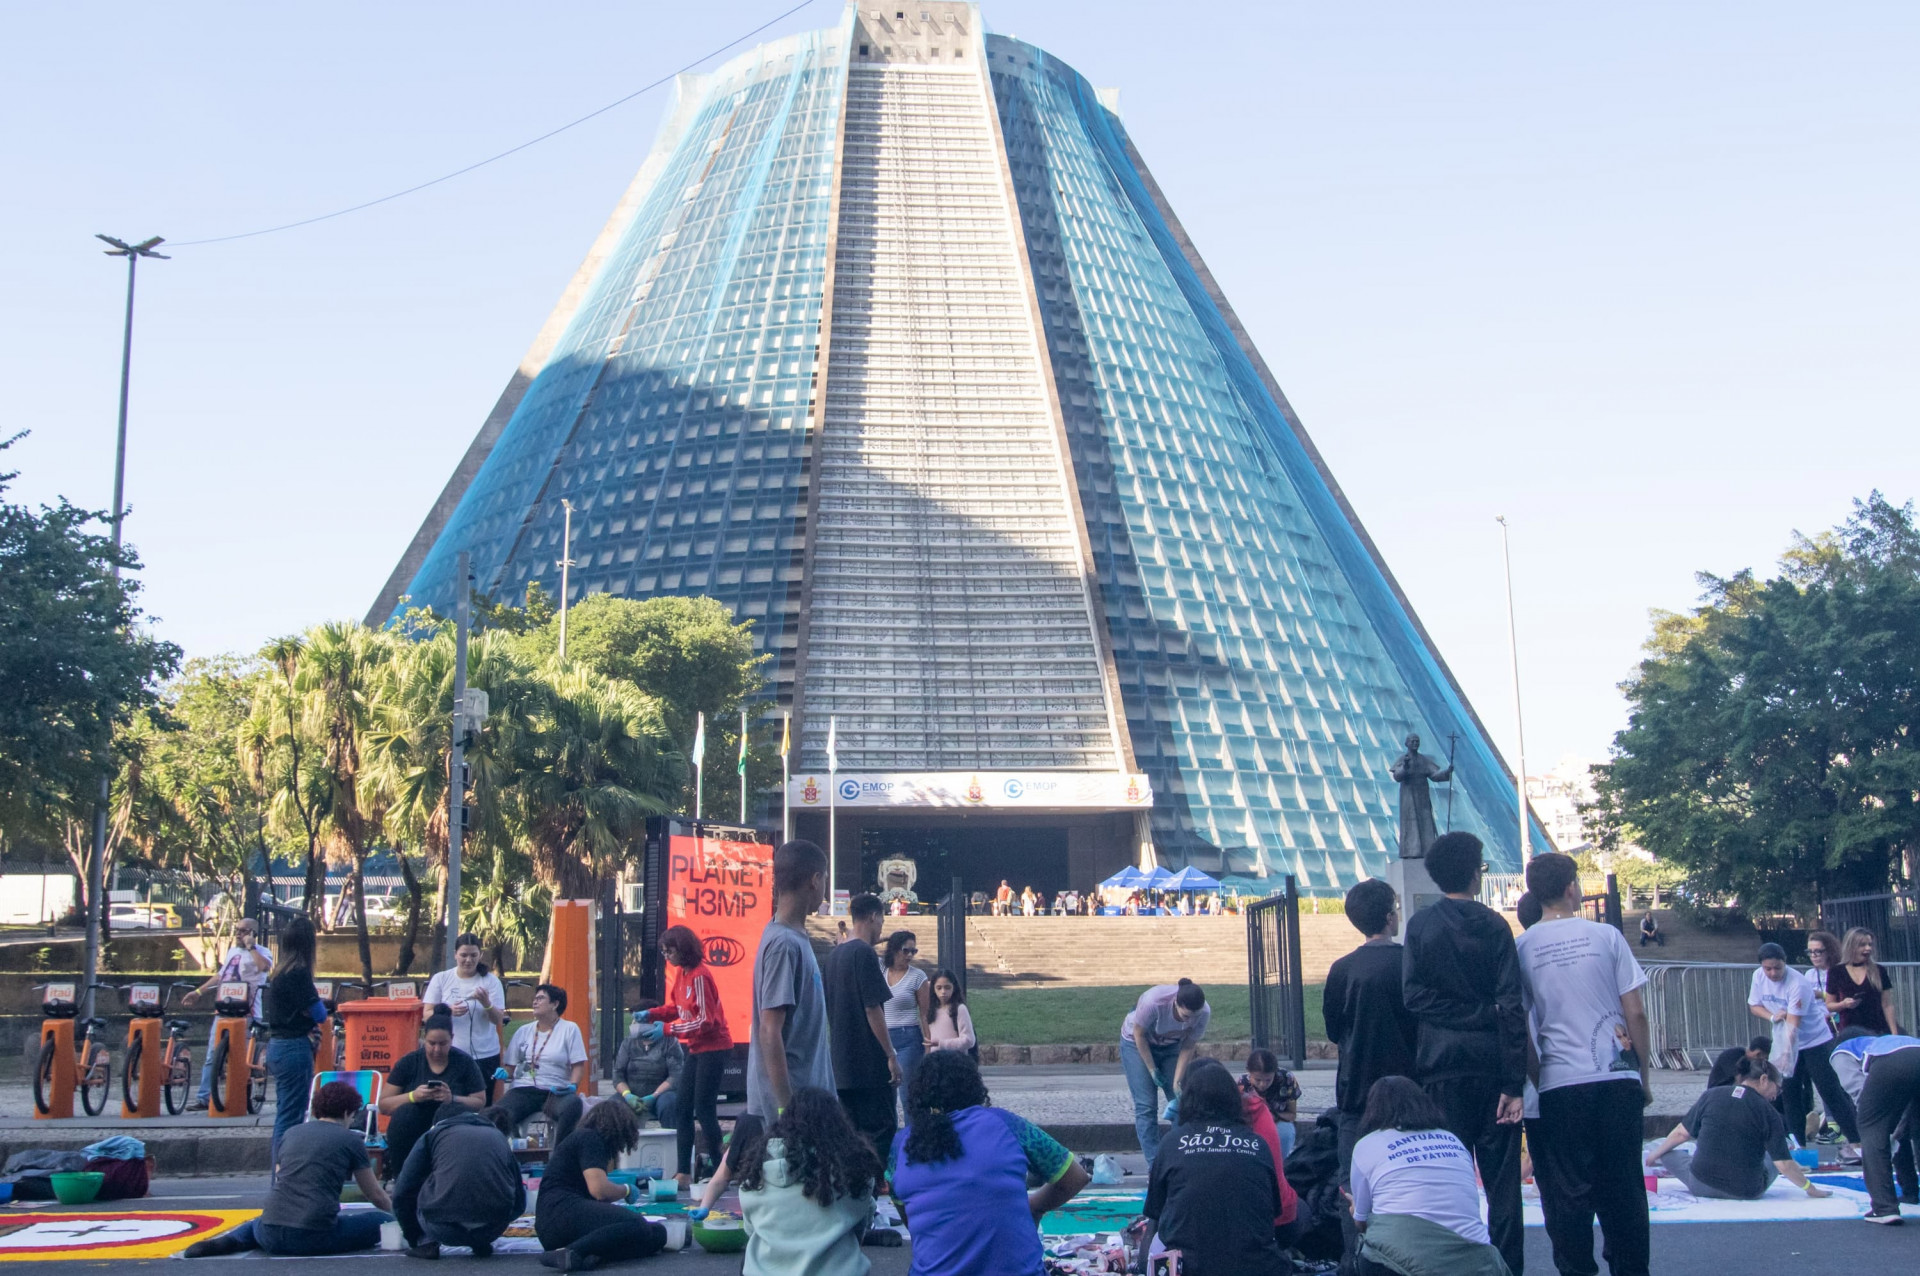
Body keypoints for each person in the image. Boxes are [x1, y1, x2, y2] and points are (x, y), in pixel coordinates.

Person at [1514, 851, 1651, 1276]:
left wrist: (1540, 1076)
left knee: (1567, 1194)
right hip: (1615, 1075)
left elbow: (1522, 1029)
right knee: (1624, 1188)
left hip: (1559, 1082)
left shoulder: (1521, 947)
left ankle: (1576, 1269)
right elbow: (1636, 1013)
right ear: (1572, 888)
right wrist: (1641, 1073)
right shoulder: (1606, 936)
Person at [1400, 831, 1526, 1276]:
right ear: (1475, 873)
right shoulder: (1495, 926)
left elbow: (1414, 998)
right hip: (1494, 1069)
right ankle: (1507, 1268)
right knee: (1503, 1186)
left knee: (1446, 1183)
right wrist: (1515, 1081)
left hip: (1440, 1068)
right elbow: (1512, 1007)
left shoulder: (1421, 926)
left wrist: (1461, 1015)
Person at [889, 1050, 1090, 1276]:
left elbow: (910, 1219)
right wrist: (1034, 1206)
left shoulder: (901, 1146)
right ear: (974, 1087)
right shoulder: (1006, 1125)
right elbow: (1076, 1176)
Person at [183, 1080, 394, 1257]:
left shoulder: (291, 1133)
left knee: (257, 1223)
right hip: (312, 1236)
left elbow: (281, 1174)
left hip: (270, 1232)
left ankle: (230, 1241)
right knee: (380, 1221)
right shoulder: (350, 1139)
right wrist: (397, 1215)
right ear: (348, 1112)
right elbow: (374, 1194)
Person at [1137, 1058, 1291, 1275]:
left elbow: (1155, 1210)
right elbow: (1273, 1210)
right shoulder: (1257, 1143)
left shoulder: (1172, 1142)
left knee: (1154, 1231)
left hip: (1189, 1265)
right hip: (1254, 1265)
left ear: (1187, 1100)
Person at [1347, 1077, 1511, 1276]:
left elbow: (1362, 1223)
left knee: (1365, 1251)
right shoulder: (1452, 1140)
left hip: (1404, 1263)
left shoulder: (1367, 1144)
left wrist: (1356, 1209)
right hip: (1476, 1263)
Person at [1323, 879, 1418, 1201]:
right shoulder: (1410, 963)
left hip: (1357, 1088)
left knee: (1353, 1183)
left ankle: (1356, 1248)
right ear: (1391, 918)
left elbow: (1334, 1030)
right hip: (1410, 1086)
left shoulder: (1342, 969)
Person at [737, 1086, 881, 1276]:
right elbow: (861, 1224)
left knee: (749, 1256)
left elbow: (750, 1229)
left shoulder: (756, 1176)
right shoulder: (851, 1175)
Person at [1643, 1056, 1830, 1202]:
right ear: (1764, 1079)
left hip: (1700, 1184)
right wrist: (1810, 1189)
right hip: (1746, 1190)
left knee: (1668, 1152)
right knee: (1776, 1155)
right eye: (1777, 1088)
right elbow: (1783, 1165)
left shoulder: (1711, 1095)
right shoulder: (1769, 1113)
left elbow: (1680, 1134)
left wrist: (1654, 1156)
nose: (1776, 1094)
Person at [639, 924, 732, 1191]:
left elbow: (705, 1020)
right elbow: (676, 1008)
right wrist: (652, 1014)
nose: (666, 956)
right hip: (697, 1047)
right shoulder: (682, 975)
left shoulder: (700, 976)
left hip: (714, 1046)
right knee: (682, 1106)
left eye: (670, 951)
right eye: (664, 952)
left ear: (683, 949)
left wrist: (667, 1029)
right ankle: (683, 1171)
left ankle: (720, 1167)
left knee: (704, 1108)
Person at [749, 840, 836, 1122]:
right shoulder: (783, 944)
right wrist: (787, 1110)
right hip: (796, 1111)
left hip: (813, 1103)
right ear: (815, 879)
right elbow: (770, 1031)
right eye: (825, 880)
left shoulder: (792, 936)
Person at [535, 1094, 668, 1270]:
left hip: (557, 1223)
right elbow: (599, 1190)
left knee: (657, 1234)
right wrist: (626, 1190)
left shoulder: (585, 1139)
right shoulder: (590, 1138)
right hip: (559, 1212)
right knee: (636, 1225)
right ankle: (572, 1252)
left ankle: (593, 1255)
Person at [1749, 941, 1857, 1154]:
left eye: (1777, 968)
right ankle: (1798, 1145)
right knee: (1789, 1092)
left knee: (1830, 1091)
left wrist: (1785, 1056)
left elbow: (1793, 1026)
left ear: (1785, 964)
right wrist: (1772, 1016)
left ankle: (1857, 1142)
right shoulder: (1758, 977)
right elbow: (1754, 1006)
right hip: (1784, 1037)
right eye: (1767, 968)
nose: (1772, 973)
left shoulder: (1798, 984)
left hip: (1813, 1040)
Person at [824, 893, 902, 1161]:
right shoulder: (865, 954)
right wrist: (890, 1055)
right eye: (881, 919)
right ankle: (874, 1185)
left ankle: (853, 1191)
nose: (881, 926)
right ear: (873, 916)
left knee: (850, 1133)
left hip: (841, 1064)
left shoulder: (835, 955)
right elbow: (872, 1007)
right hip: (869, 1063)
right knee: (881, 1129)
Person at [392, 1103, 525, 1258]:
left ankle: (425, 1243)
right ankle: (479, 1242)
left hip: (442, 1228)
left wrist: (413, 1237)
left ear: (438, 1122)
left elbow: (403, 1189)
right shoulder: (498, 1136)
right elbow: (519, 1196)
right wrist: (501, 1217)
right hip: (492, 1229)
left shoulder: (432, 1135)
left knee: (421, 1181)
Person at [376, 1014, 487, 1181]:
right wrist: (413, 1096)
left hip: (451, 1122)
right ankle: (402, 1177)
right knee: (404, 1115)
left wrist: (453, 1099)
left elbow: (480, 1101)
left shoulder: (465, 1062)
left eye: (443, 1044)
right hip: (412, 1125)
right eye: (431, 1043)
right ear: (423, 1038)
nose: (437, 1050)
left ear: (452, 1039)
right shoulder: (409, 1062)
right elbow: (384, 1104)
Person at [182, 916, 273, 1111]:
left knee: (242, 1057)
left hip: (248, 1011)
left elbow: (263, 967)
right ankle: (204, 1097)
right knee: (212, 1055)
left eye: (243, 931)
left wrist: (251, 947)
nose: (238, 934)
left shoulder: (263, 952)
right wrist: (199, 992)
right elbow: (221, 974)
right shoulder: (232, 952)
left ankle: (242, 1094)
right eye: (237, 930)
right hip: (224, 1008)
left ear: (253, 933)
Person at [1830, 1029, 1920, 1224]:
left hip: (1893, 1065)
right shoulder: (1885, 1040)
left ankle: (1884, 1208)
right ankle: (1911, 1192)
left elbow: (1857, 1090)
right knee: (1913, 1130)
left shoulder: (1842, 1050)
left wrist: (1877, 1123)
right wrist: (1895, 1128)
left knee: (1872, 1129)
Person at [261, 914, 328, 1165]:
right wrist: (311, 1010)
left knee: (283, 1113)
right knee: (292, 1117)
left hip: (276, 1046)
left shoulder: (278, 973)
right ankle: (283, 1175)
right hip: (294, 1048)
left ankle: (279, 1176)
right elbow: (320, 1014)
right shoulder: (299, 974)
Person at [1120, 979, 1210, 1162]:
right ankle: (1154, 1163)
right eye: (1186, 1017)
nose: (1191, 1021)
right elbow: (1138, 1034)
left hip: (1171, 1045)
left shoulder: (1204, 1012)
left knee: (1181, 1101)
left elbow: (1188, 1046)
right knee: (1146, 1105)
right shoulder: (1154, 1001)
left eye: (1195, 1016)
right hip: (1136, 1043)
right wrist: (1152, 1069)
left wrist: (1177, 1081)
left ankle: (1182, 1157)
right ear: (1176, 1004)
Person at [498, 983, 587, 1147]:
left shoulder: (569, 1029)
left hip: (554, 1091)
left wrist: (573, 1085)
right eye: (534, 999)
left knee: (573, 1106)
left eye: (540, 998)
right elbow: (509, 1068)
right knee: (497, 1115)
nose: (535, 1002)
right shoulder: (523, 1031)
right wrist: (503, 1072)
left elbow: (578, 1065)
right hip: (523, 1090)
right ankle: (514, 1152)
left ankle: (561, 1153)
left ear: (555, 1004)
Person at [422, 933, 508, 1099]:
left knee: (483, 1102)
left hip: (485, 1055)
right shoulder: (441, 979)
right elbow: (426, 1015)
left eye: (473, 955)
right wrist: (448, 1011)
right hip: (451, 1053)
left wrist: (486, 1003)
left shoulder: (491, 981)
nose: (468, 960)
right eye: (464, 955)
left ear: (480, 955)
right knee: (451, 1100)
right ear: (455, 954)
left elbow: (498, 1019)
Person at [613, 1000, 684, 1131]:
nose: (633, 1024)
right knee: (613, 1105)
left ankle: (673, 1146)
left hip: (661, 1094)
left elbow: (675, 1076)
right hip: (632, 1094)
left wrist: (654, 1096)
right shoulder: (628, 1042)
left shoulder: (670, 1042)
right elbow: (618, 1074)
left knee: (670, 1103)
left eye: (637, 1020)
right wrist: (627, 1095)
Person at [882, 930, 931, 1113]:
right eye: (905, 950)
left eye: (913, 951)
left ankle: (913, 1134)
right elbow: (861, 947)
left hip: (907, 1037)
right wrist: (885, 938)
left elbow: (924, 1014)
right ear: (894, 950)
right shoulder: (880, 968)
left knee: (907, 1093)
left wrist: (928, 1046)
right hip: (883, 1036)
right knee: (885, 1094)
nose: (910, 955)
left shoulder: (918, 976)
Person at [1827, 928, 1902, 1037]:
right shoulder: (1836, 972)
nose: (1868, 948)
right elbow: (1829, 1005)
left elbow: (1887, 1005)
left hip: (1878, 1029)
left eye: (1870, 944)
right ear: (1851, 947)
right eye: (1862, 945)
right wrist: (1843, 1004)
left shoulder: (1879, 970)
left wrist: (1894, 1033)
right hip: (1850, 1031)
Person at [1242, 1047, 1302, 1158]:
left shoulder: (1286, 1079)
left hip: (1278, 1122)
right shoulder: (1241, 1085)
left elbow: (1292, 1115)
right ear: (1248, 1072)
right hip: (1250, 1125)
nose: (1262, 1085)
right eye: (1257, 1080)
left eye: (1268, 1080)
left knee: (1284, 1133)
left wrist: (1274, 1116)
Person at [925, 968, 974, 1054]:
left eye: (947, 987)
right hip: (935, 1061)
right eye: (939, 988)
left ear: (954, 988)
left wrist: (941, 1043)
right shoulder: (931, 1010)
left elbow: (969, 1040)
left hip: (955, 1060)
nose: (943, 992)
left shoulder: (960, 1009)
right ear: (933, 989)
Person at [1706, 1037, 1773, 1090]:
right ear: (1758, 1053)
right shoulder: (1733, 1055)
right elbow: (1740, 1082)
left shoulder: (1747, 1059)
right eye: (1764, 1058)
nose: (1763, 1061)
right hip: (1717, 1092)